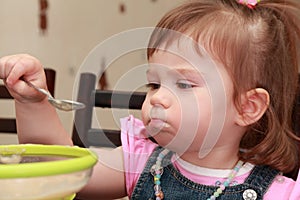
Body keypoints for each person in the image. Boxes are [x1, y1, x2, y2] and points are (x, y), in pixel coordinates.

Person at [1, 0, 300, 199]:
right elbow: (57, 167)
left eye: (183, 84)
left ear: (247, 107)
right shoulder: (140, 163)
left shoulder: (280, 193)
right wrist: (32, 102)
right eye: (154, 83)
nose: (158, 99)